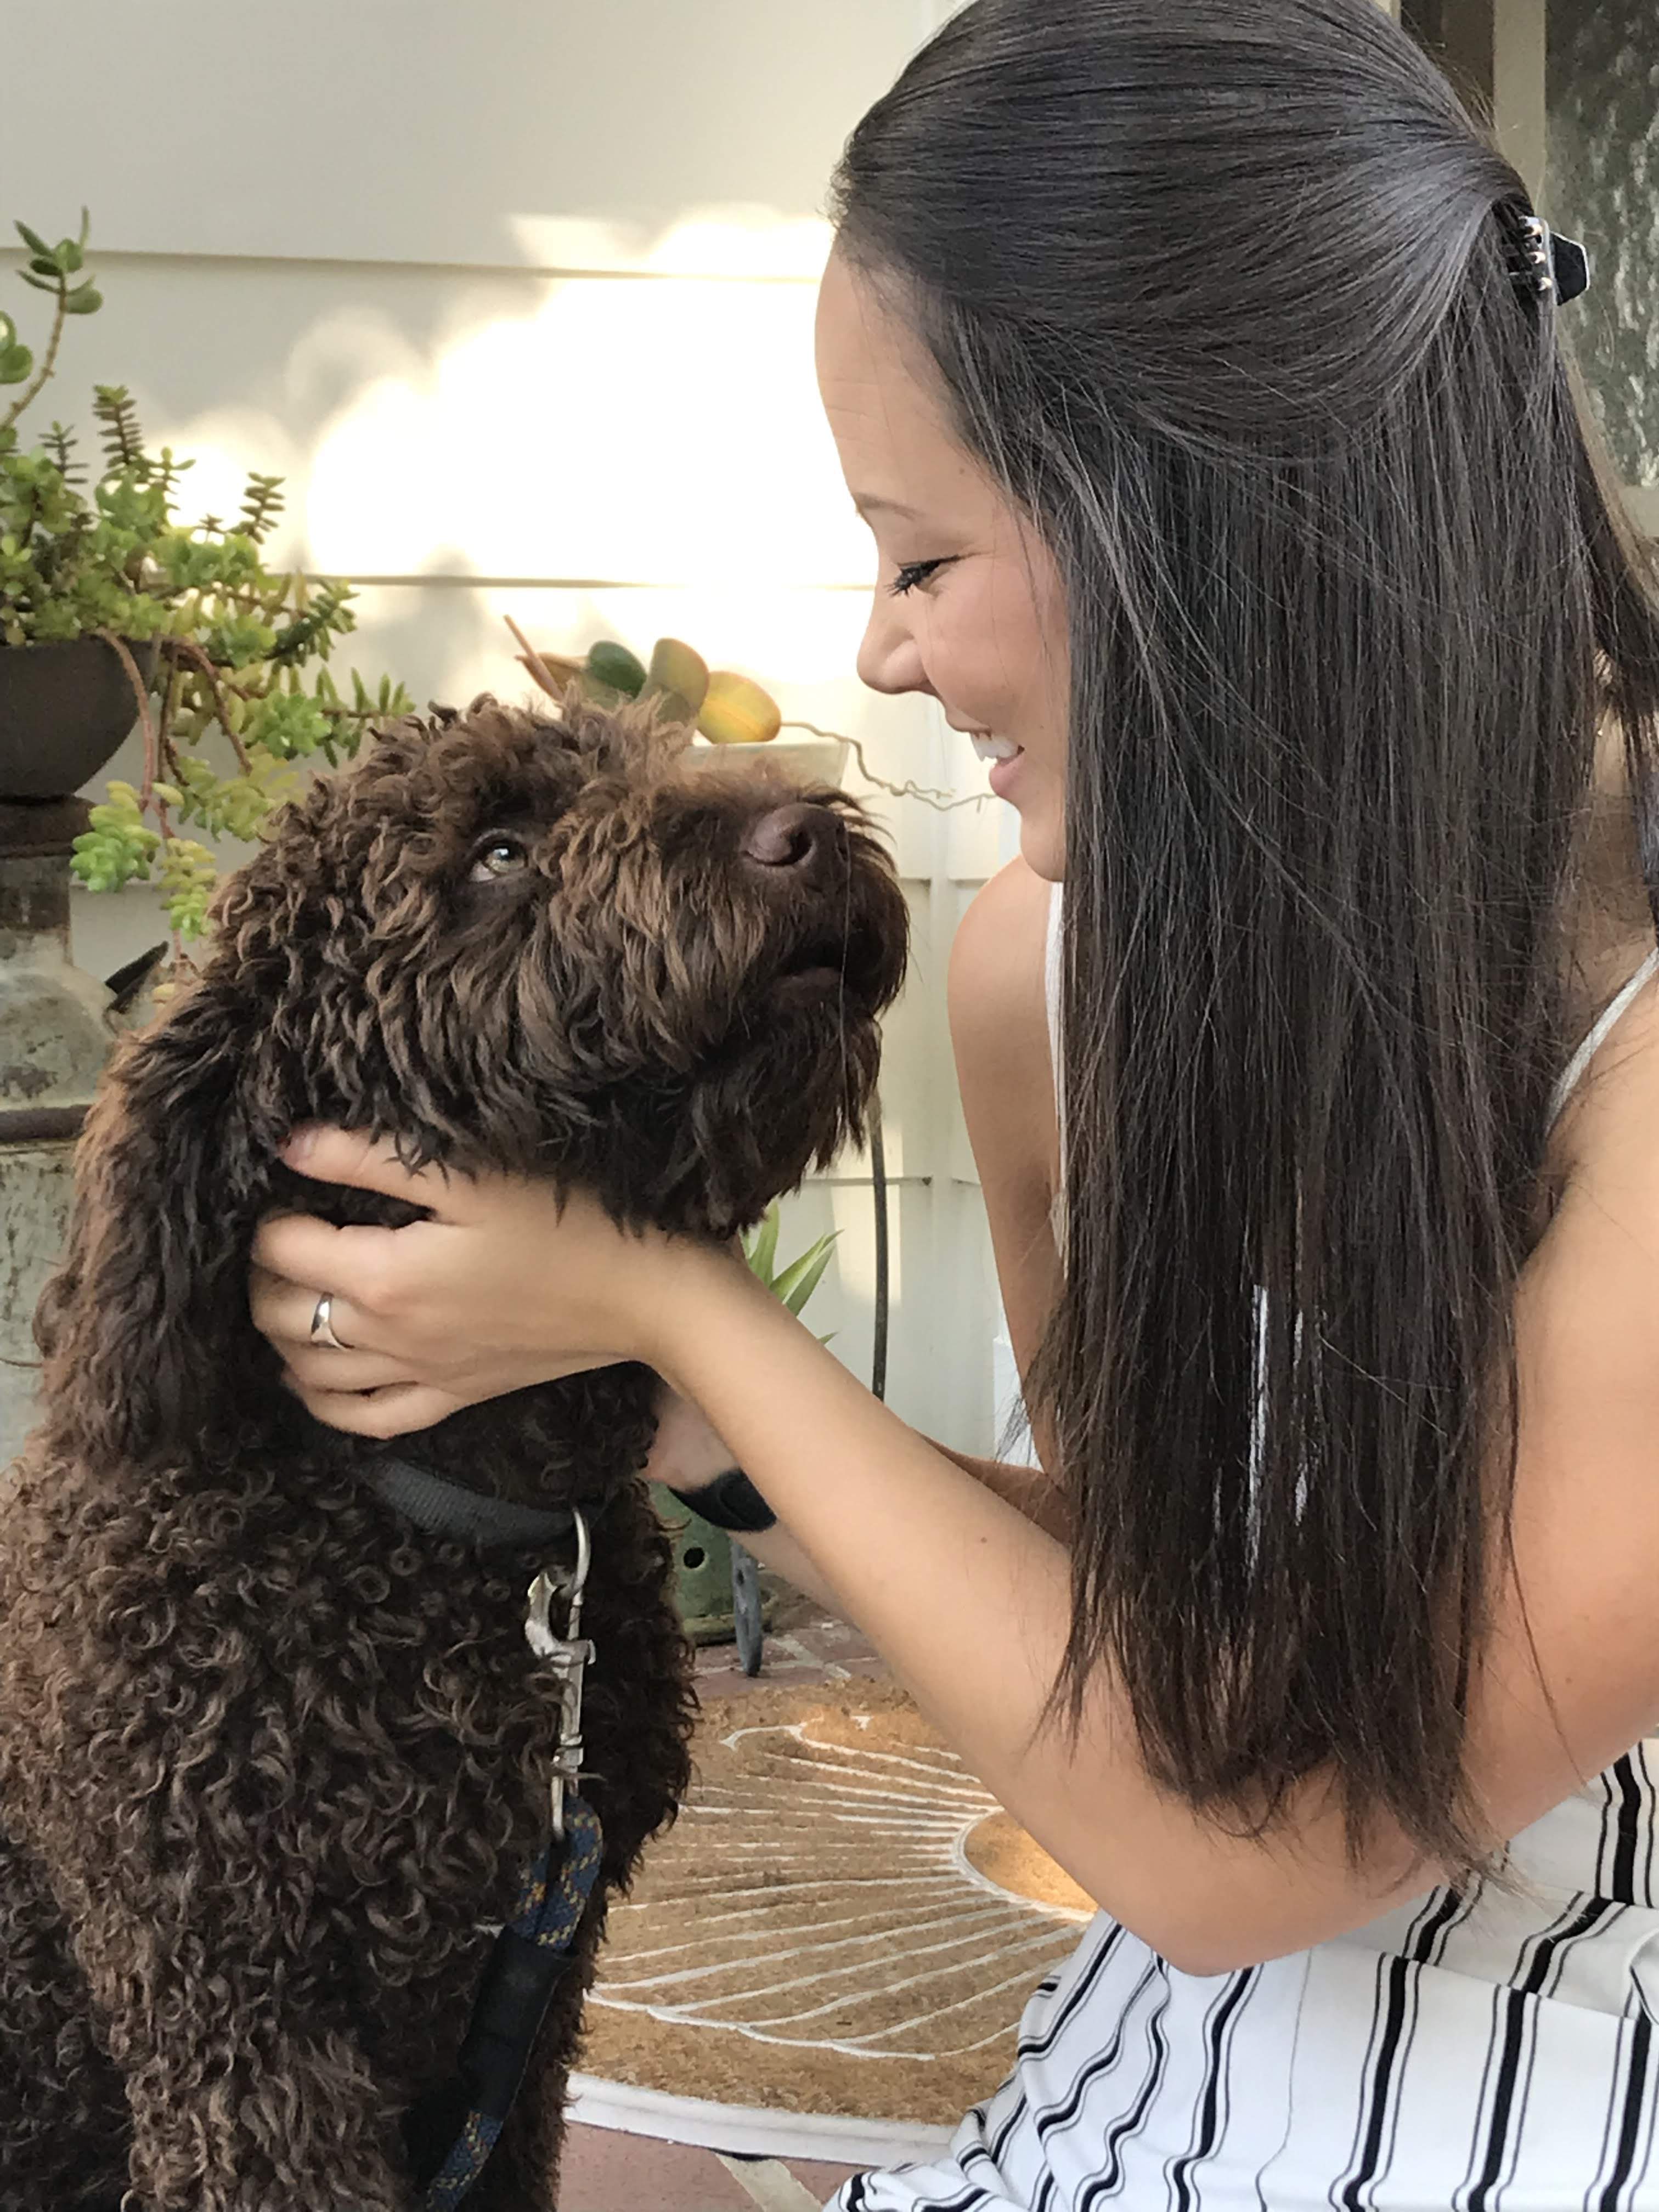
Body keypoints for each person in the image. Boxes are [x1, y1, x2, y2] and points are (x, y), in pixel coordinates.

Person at [250, 1, 1659, 2203]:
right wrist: (681, 1418)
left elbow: (1247, 1845)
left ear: (1195, 522)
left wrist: (684, 1316)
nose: (883, 655)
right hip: (1108, 2117)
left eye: (920, 557)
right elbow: (1170, 1640)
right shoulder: (1070, 972)